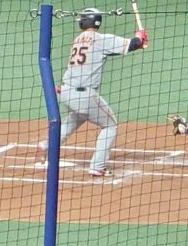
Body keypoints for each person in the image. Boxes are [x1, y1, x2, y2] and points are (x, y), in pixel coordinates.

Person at [38, 9, 148, 176]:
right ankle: (98, 166)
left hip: (66, 90)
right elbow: (132, 45)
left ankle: (47, 145)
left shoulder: (78, 40)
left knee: (74, 120)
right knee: (110, 124)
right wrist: (140, 37)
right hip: (84, 95)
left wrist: (139, 41)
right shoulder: (101, 39)